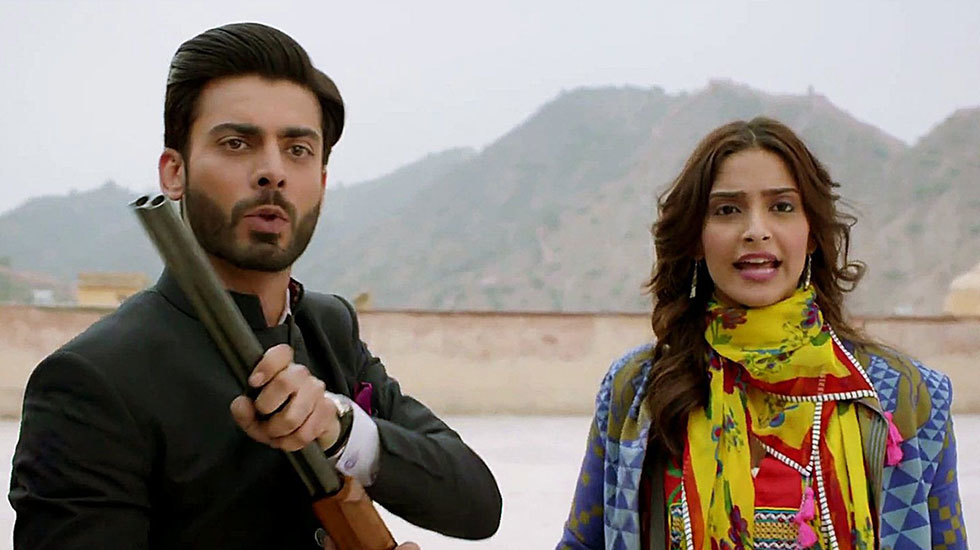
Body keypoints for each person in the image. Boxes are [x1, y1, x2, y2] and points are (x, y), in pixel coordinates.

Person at [10, 22, 501, 549]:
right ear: (174, 172)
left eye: (298, 149)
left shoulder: (328, 326)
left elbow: (476, 504)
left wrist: (340, 428)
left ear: (322, 182)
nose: (272, 172)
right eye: (236, 143)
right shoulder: (93, 378)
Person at [558, 118, 965, 550]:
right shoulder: (639, 392)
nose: (756, 230)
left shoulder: (904, 396)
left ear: (812, 233)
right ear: (695, 238)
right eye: (727, 210)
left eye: (782, 207)